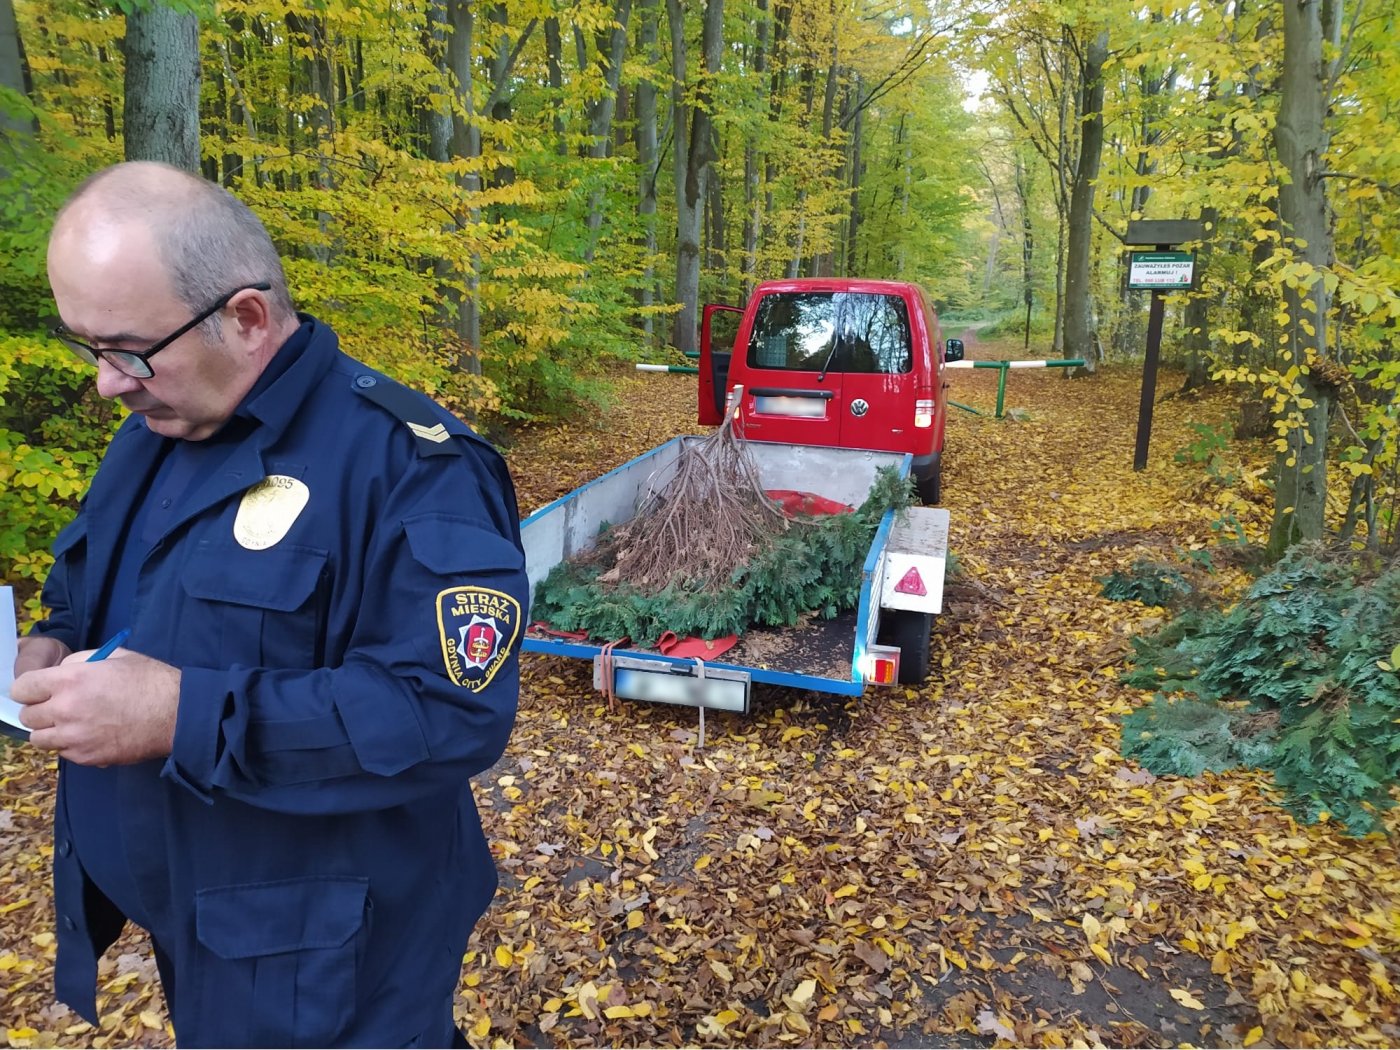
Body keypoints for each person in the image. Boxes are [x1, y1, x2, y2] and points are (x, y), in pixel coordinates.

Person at [10, 161, 527, 1047]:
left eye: (128, 350)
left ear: (245, 319)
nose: (106, 384)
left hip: (330, 955)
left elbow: (448, 712)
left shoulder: (410, 466)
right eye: (86, 348)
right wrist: (52, 638)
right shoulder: (157, 430)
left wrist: (179, 713)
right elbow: (89, 578)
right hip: (201, 920)